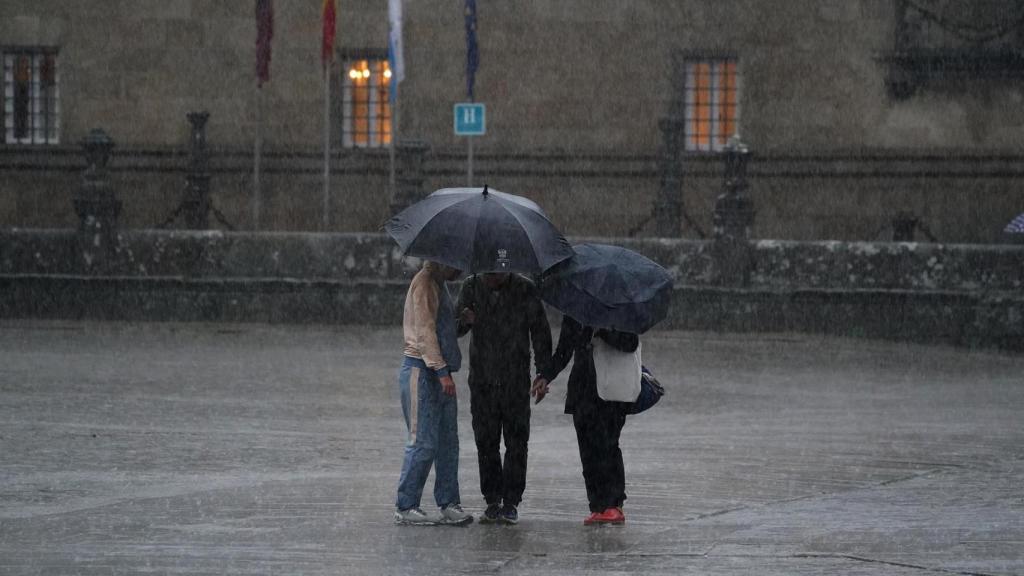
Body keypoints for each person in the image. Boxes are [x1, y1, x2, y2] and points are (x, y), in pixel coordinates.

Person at [456, 272, 552, 524]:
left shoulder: (525, 289)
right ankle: (492, 499)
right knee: (485, 442)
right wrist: (464, 321)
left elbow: (540, 332)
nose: (491, 278)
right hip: (482, 380)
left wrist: (543, 373)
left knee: (517, 442)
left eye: (497, 272)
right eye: (487, 272)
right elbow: (454, 327)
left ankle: (511, 501)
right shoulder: (471, 286)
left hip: (515, 380)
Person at [533, 315, 638, 525]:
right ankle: (597, 505)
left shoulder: (617, 309)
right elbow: (564, 350)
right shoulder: (576, 312)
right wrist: (545, 376)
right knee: (587, 449)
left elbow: (631, 343)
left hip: (611, 391)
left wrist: (604, 332)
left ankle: (614, 503)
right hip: (582, 389)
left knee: (608, 445)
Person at [394, 261, 473, 526]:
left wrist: (462, 323)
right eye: (457, 264)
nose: (460, 270)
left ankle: (449, 502)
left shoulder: (440, 284)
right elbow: (425, 332)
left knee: (448, 442)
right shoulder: (425, 283)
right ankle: (406, 504)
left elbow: (443, 330)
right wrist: (440, 371)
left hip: (441, 372)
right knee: (423, 441)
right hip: (422, 370)